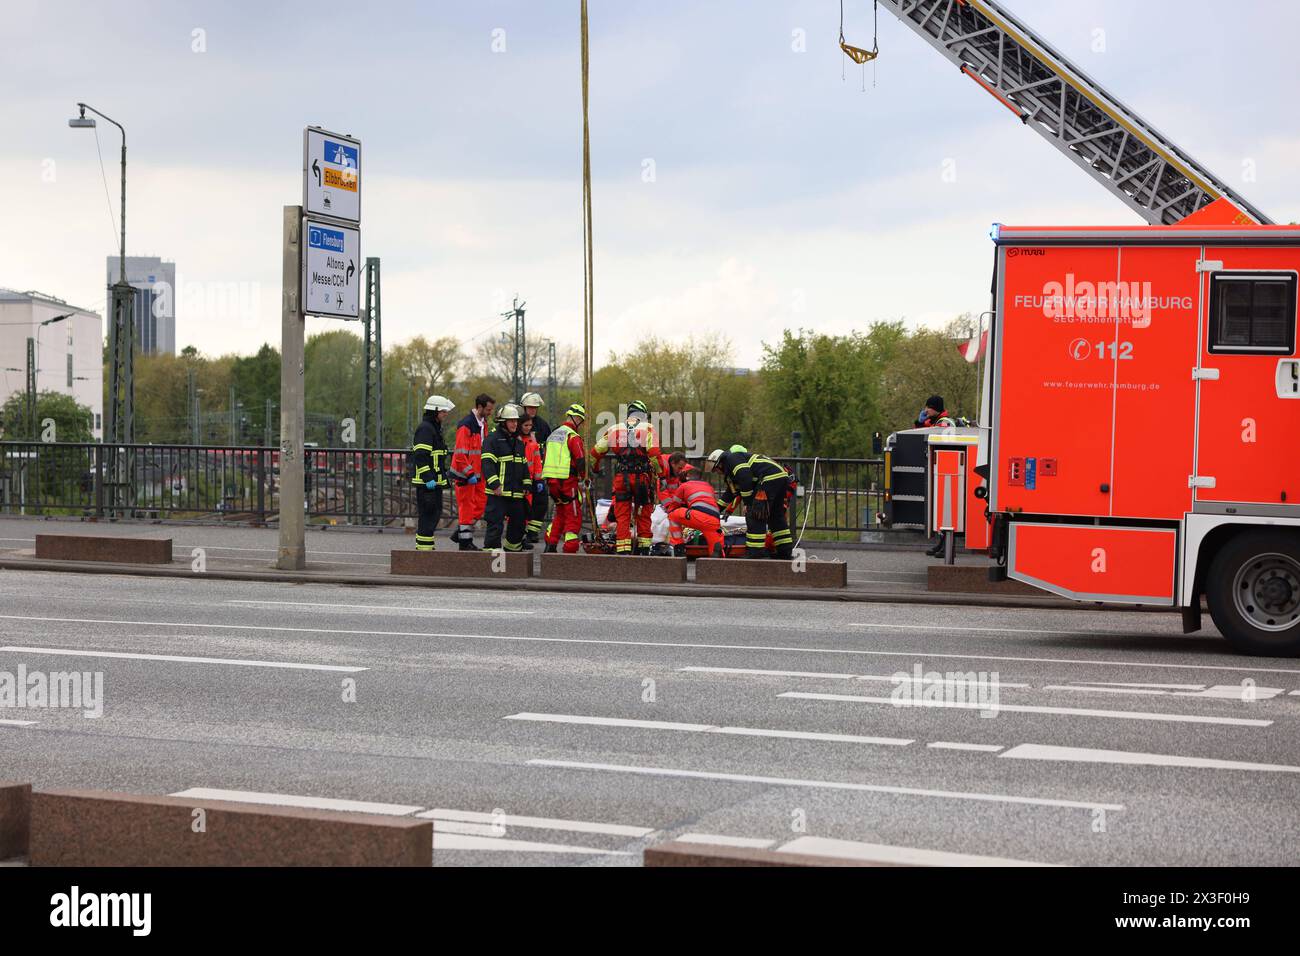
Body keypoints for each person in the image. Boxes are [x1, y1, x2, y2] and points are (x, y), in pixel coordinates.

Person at [591, 400, 660, 554]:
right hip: (642, 478)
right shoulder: (648, 429)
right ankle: (643, 550)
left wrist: (594, 470)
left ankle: (623, 552)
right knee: (643, 513)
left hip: (622, 478)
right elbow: (654, 455)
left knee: (622, 516)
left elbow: (595, 453)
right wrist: (660, 473)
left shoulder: (614, 429)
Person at [707, 447, 793, 559]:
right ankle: (784, 551)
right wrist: (713, 511)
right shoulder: (733, 469)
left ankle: (755, 552)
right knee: (775, 517)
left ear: (720, 463)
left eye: (715, 469)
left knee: (755, 515)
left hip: (768, 478)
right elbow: (729, 494)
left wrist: (748, 503)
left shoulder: (732, 458)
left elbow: (745, 478)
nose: (716, 472)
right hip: (780, 477)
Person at [481, 403, 530, 552]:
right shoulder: (492, 440)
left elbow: (524, 466)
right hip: (498, 493)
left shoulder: (518, 442)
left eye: (516, 421)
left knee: (519, 523)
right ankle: (491, 557)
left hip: (516, 493)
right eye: (511, 421)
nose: (515, 424)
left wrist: (527, 485)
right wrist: (495, 484)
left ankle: (513, 551)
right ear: (503, 422)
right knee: (495, 525)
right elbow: (487, 464)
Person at [449, 393, 494, 550]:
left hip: (478, 474)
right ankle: (465, 542)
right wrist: (469, 473)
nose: (490, 412)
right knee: (467, 507)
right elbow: (460, 454)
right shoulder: (466, 425)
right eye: (488, 409)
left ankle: (460, 533)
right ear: (479, 407)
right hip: (465, 475)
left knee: (481, 504)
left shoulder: (482, 424)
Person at [658, 452, 725, 558]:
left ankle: (678, 547)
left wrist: (670, 509)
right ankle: (717, 555)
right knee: (714, 541)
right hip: (715, 520)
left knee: (673, 515)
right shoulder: (709, 486)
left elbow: (674, 504)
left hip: (698, 515)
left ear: (687, 476)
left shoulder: (684, 485)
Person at [410, 395, 454, 551]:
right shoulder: (426, 429)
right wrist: (428, 478)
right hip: (427, 482)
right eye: (443, 411)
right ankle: (423, 549)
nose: (445, 414)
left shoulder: (433, 428)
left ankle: (426, 546)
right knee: (428, 514)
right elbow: (421, 456)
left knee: (434, 513)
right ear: (434, 411)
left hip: (435, 481)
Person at [542, 403, 588, 553]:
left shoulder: (553, 434)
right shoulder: (572, 436)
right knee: (573, 514)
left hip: (552, 483)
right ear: (576, 418)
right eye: (581, 421)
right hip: (567, 481)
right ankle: (570, 549)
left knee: (560, 513)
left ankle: (551, 544)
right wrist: (585, 477)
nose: (581, 424)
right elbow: (580, 459)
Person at [519, 413, 546, 544]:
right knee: (520, 510)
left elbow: (537, 461)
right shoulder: (516, 440)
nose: (528, 428)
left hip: (529, 481)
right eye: (526, 425)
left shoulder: (532, 441)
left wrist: (539, 479)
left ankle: (524, 536)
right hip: (518, 480)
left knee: (528, 508)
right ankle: (519, 537)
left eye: (530, 425)